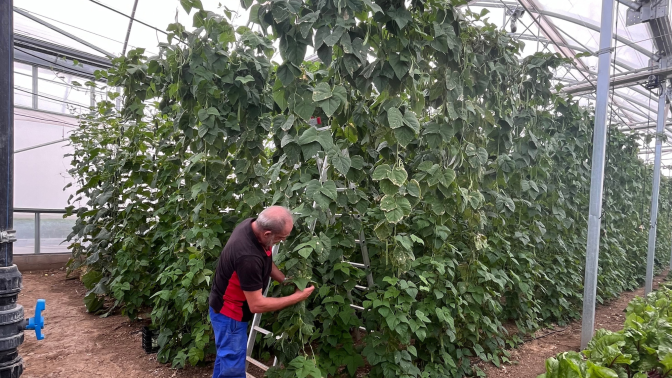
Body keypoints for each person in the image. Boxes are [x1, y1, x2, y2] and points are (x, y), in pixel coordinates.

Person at [208, 206, 315, 378]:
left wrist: (286, 280)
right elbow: (257, 304)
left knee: (225, 359)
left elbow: (266, 260)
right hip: (230, 314)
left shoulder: (251, 226)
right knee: (233, 369)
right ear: (267, 233)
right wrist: (296, 297)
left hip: (224, 305)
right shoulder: (247, 257)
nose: (281, 241)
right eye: (281, 238)